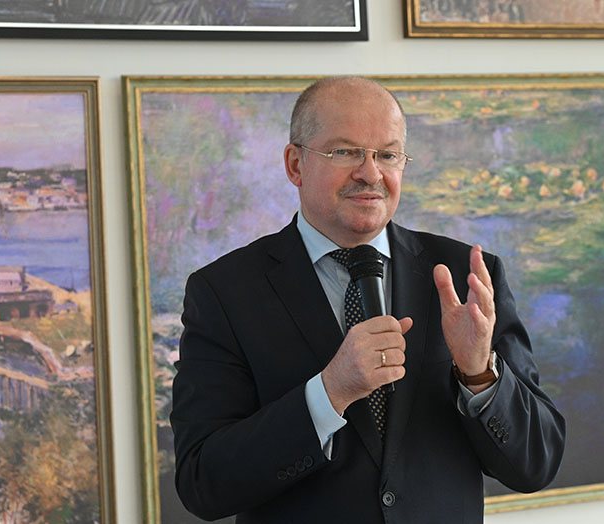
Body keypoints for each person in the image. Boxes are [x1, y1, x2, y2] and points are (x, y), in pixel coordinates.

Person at [171, 76, 566, 523]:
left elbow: (536, 464)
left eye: (387, 155)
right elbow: (202, 483)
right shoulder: (223, 291)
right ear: (295, 164)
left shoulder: (466, 276)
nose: (371, 173)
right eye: (345, 152)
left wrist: (479, 375)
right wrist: (329, 393)